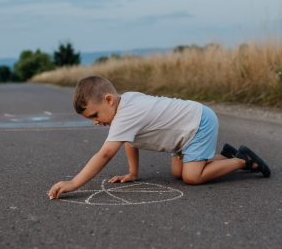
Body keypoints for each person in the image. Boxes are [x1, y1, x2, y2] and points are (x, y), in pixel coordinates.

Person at [48, 76, 270, 199]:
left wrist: (74, 183)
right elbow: (129, 140)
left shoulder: (126, 114)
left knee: (192, 177)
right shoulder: (123, 105)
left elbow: (105, 154)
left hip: (197, 123)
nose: (96, 122)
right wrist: (133, 173)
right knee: (177, 174)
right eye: (91, 119)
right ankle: (225, 156)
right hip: (184, 131)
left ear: (108, 100)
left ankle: (244, 161)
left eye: (95, 115)